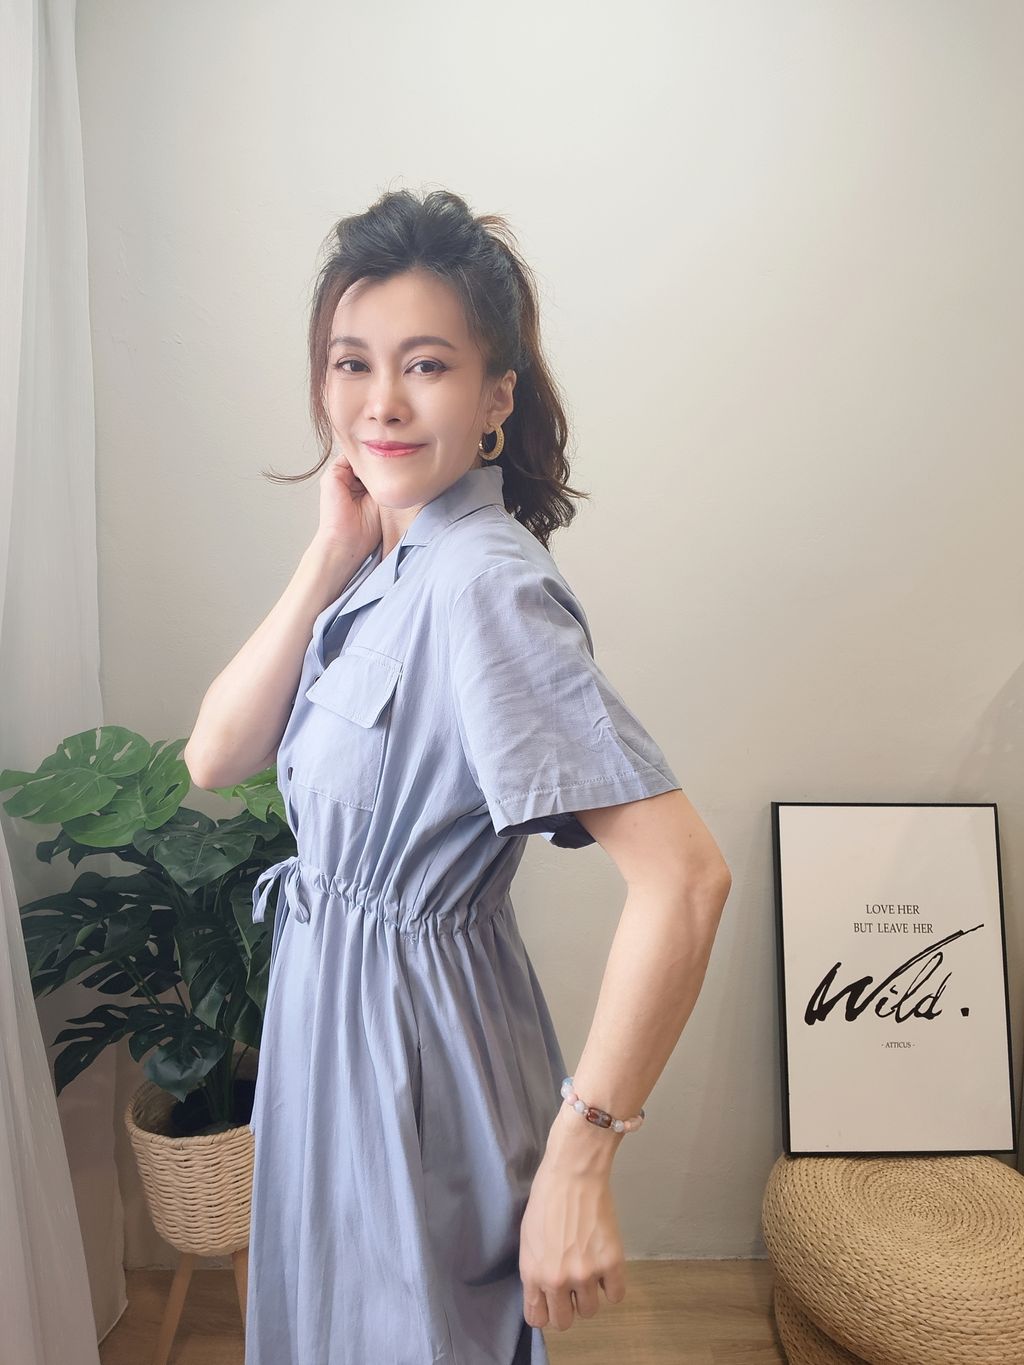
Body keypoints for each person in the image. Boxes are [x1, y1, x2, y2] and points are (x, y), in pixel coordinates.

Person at [184, 188, 731, 1365]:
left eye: (425, 365)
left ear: (495, 399)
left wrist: (583, 1156)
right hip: (329, 1031)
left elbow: (685, 882)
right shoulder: (390, 564)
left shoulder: (484, 585)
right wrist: (329, 552)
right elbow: (215, 756)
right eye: (352, 363)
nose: (380, 402)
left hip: (410, 1061)